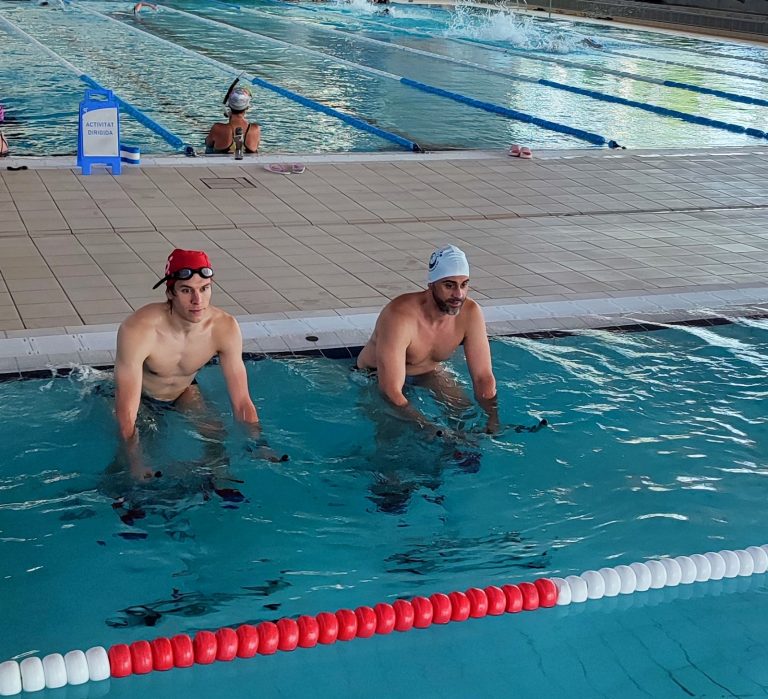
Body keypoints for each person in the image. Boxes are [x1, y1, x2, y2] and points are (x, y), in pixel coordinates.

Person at [114, 249, 263, 479]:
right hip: (140, 394)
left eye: (204, 288)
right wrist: (136, 462)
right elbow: (126, 411)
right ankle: (120, 493)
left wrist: (258, 443)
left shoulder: (224, 327)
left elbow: (242, 401)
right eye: (186, 290)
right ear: (170, 292)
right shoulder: (139, 329)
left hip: (183, 390)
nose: (198, 300)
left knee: (215, 433)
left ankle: (217, 479)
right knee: (142, 442)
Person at [356, 244, 499, 436]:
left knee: (465, 414)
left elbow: (483, 377)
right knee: (395, 433)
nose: (459, 295)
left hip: (429, 373)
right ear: (431, 284)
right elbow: (390, 390)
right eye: (449, 285)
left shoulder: (470, 314)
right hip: (373, 377)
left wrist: (492, 419)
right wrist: (429, 428)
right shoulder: (399, 315)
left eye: (464, 284)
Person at [205, 86, 261, 156]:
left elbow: (208, 143)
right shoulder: (255, 129)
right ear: (247, 107)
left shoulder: (218, 128)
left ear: (229, 105)